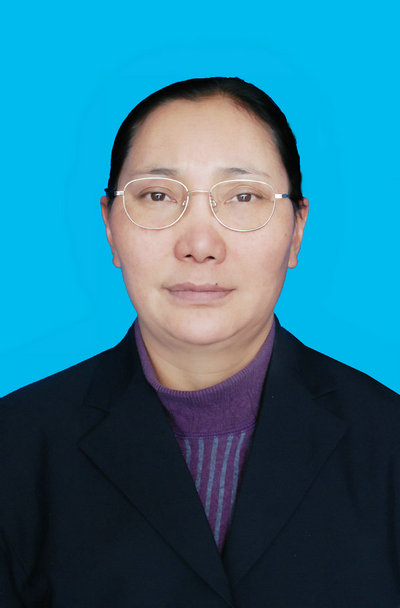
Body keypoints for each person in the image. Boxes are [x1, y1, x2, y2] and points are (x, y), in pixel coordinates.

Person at [1, 77, 399, 607]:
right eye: (158, 195)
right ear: (110, 227)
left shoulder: (389, 445)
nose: (200, 245)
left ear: (297, 230)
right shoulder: (14, 449)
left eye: (243, 197)